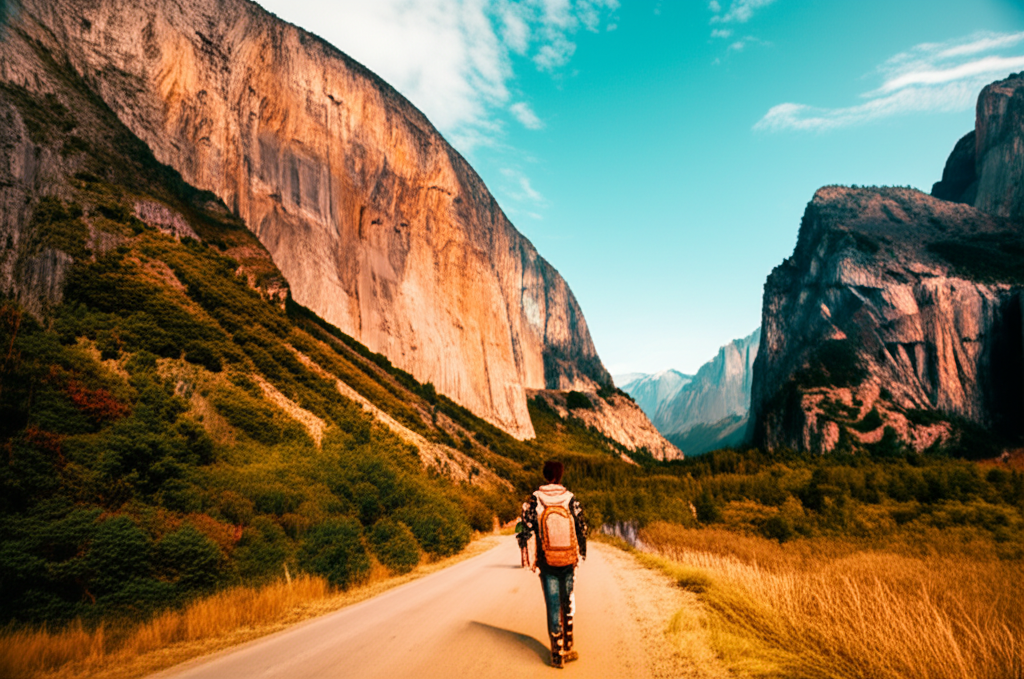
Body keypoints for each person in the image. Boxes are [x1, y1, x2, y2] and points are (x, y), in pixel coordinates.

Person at [517, 460, 587, 668]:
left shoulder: (535, 500)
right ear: (560, 475)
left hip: (546, 560)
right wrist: (580, 555)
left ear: (545, 475)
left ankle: (556, 653)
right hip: (568, 559)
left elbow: (525, 529)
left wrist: (530, 559)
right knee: (567, 600)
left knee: (553, 603)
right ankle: (569, 644)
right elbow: (581, 527)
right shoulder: (570, 498)